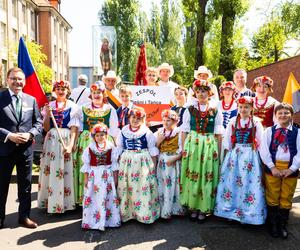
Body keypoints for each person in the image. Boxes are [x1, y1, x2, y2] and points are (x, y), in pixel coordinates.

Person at [0, 67, 42, 229]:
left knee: (25, 186)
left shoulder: (30, 100)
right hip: (4, 150)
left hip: (25, 150)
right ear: (7, 79)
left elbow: (38, 122)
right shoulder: (1, 98)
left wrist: (30, 134)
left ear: (24, 82)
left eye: (20, 79)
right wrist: (8, 135)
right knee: (1, 186)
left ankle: (24, 217)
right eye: (13, 78)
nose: (17, 82)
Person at [214, 96, 266, 225]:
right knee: (232, 182)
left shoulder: (256, 123)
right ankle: (230, 212)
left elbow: (260, 142)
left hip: (250, 156)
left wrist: (261, 161)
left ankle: (247, 214)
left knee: (249, 183)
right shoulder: (233, 121)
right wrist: (225, 159)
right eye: (241, 107)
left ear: (251, 109)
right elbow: (227, 141)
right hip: (235, 156)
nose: (243, 110)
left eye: (246, 107)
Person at [180, 79, 223, 222]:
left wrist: (219, 152)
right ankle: (192, 206)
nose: (200, 94)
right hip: (193, 144)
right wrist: (182, 149)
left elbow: (218, 133)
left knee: (206, 174)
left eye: (203, 91)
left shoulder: (215, 110)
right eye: (198, 91)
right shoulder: (189, 109)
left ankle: (203, 208)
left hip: (209, 144)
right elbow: (184, 131)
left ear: (209, 93)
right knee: (193, 173)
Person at [74, 81, 119, 204]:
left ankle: (104, 198)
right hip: (86, 142)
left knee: (104, 169)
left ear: (103, 94)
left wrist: (116, 146)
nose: (96, 95)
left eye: (99, 92)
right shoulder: (83, 108)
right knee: (88, 169)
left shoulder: (110, 109)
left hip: (105, 143)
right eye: (94, 92)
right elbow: (76, 127)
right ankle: (87, 198)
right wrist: (74, 143)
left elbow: (114, 130)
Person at [38, 80, 79, 214]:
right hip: (52, 140)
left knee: (65, 170)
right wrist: (48, 115)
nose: (61, 91)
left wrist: (71, 144)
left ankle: (66, 203)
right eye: (58, 89)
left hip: (65, 138)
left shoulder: (73, 106)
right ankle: (51, 202)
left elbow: (74, 128)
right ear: (54, 91)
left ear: (68, 91)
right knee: (51, 169)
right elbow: (45, 128)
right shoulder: (49, 106)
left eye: (63, 89)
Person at [260, 103, 300, 239]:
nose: (283, 115)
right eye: (280, 113)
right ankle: (273, 224)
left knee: (286, 196)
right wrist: (272, 167)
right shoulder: (269, 131)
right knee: (272, 194)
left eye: (286, 113)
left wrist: (292, 168)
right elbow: (263, 150)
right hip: (273, 168)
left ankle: (282, 224)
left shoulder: (298, 132)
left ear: (291, 115)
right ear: (276, 116)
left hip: (290, 169)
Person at [117, 107, 160, 224]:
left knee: (142, 186)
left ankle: (143, 213)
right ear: (129, 118)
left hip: (143, 162)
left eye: (138, 118)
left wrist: (153, 168)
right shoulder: (123, 131)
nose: (135, 120)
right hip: (127, 162)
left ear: (143, 119)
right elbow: (119, 148)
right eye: (133, 117)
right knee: (127, 186)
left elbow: (152, 151)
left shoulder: (147, 132)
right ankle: (128, 213)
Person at [81, 123, 121, 231]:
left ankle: (109, 221)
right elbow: (87, 165)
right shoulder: (90, 148)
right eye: (97, 135)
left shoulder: (111, 147)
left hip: (107, 176)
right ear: (94, 136)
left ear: (106, 135)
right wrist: (86, 178)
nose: (100, 137)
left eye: (102, 135)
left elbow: (114, 165)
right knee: (94, 197)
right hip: (94, 176)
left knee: (108, 197)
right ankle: (92, 221)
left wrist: (115, 178)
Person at [155, 109, 185, 219]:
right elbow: (154, 149)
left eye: (168, 120)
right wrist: (159, 140)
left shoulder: (179, 132)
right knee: (163, 184)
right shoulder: (159, 132)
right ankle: (164, 208)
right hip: (163, 160)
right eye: (164, 120)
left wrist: (173, 159)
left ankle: (175, 208)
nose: (165, 123)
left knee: (173, 184)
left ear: (175, 121)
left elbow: (183, 150)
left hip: (174, 161)